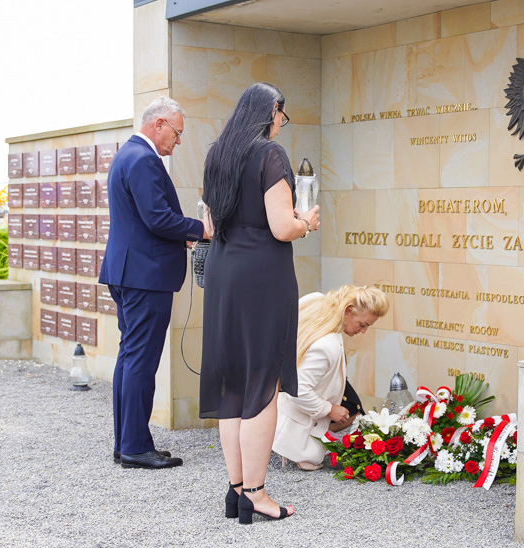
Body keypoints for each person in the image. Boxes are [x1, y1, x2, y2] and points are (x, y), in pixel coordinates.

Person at [198, 83, 320, 524]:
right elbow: (281, 227)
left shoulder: (217, 153)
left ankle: (235, 491)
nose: (281, 124)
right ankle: (257, 494)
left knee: (234, 384)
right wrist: (307, 221)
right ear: (272, 111)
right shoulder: (269, 155)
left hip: (224, 273)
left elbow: (209, 222)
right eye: (282, 116)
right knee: (263, 385)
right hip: (261, 278)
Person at [100, 96, 210, 469]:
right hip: (144, 276)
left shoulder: (127, 154)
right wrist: (201, 230)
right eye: (177, 133)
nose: (178, 142)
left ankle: (128, 442)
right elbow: (157, 218)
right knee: (141, 361)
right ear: (158, 124)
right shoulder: (144, 159)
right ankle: (134, 447)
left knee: (131, 357)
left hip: (130, 271)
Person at [272, 286, 390, 470]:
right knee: (352, 409)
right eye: (363, 324)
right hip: (290, 405)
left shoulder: (317, 302)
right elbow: (299, 389)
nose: (364, 331)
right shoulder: (327, 345)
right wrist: (329, 409)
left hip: (277, 389)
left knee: (352, 405)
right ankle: (295, 440)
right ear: (348, 311)